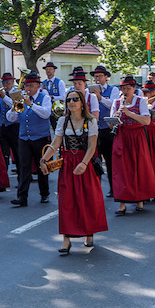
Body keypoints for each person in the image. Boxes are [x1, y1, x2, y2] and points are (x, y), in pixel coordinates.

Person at [42, 90, 107, 254]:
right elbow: (55, 143)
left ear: (82, 102)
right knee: (66, 201)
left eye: (75, 99)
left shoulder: (90, 121)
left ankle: (89, 232)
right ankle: (66, 239)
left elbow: (92, 146)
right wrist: (44, 159)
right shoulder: (62, 121)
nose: (71, 102)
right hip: (68, 164)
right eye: (69, 100)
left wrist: (84, 163)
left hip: (85, 162)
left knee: (88, 199)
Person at [111, 76, 155, 215]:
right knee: (121, 169)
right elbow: (111, 123)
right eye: (123, 89)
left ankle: (140, 199)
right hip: (122, 136)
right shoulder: (117, 102)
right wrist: (116, 117)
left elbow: (146, 121)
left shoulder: (141, 101)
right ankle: (122, 203)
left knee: (139, 167)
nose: (125, 91)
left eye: (128, 88)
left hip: (137, 136)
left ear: (134, 88)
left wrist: (129, 113)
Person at [8, 72, 53, 206]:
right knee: (24, 167)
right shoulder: (21, 98)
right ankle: (22, 197)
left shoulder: (45, 98)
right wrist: (13, 108)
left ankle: (44, 193)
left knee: (42, 166)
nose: (28, 88)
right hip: (24, 138)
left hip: (41, 137)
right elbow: (11, 118)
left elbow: (46, 114)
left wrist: (31, 105)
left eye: (31, 85)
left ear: (38, 86)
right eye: (26, 85)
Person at [91, 65, 119, 196]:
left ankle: (113, 188)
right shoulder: (90, 90)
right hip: (94, 129)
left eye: (100, 76)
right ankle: (96, 190)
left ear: (106, 77)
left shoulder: (113, 90)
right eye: (96, 76)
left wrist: (100, 98)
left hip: (107, 129)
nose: (97, 79)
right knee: (95, 160)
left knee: (110, 161)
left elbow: (113, 105)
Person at [0, 72, 19, 172]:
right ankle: (3, 177)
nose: (6, 85)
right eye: (4, 83)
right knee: (3, 154)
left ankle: (21, 176)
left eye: (8, 83)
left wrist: (4, 97)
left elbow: (15, 106)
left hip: (14, 126)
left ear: (12, 82)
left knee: (17, 152)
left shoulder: (17, 93)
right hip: (2, 126)